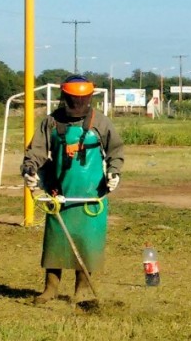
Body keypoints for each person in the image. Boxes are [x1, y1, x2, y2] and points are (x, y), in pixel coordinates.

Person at [21, 74, 125, 304]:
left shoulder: (101, 123)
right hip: (59, 192)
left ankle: (82, 291)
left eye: (81, 100)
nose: (77, 105)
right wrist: (30, 171)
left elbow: (115, 151)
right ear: (65, 97)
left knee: (87, 243)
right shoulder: (50, 122)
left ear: (88, 98)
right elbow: (35, 152)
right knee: (55, 240)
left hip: (92, 197)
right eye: (73, 100)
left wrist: (114, 173)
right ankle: (50, 289)